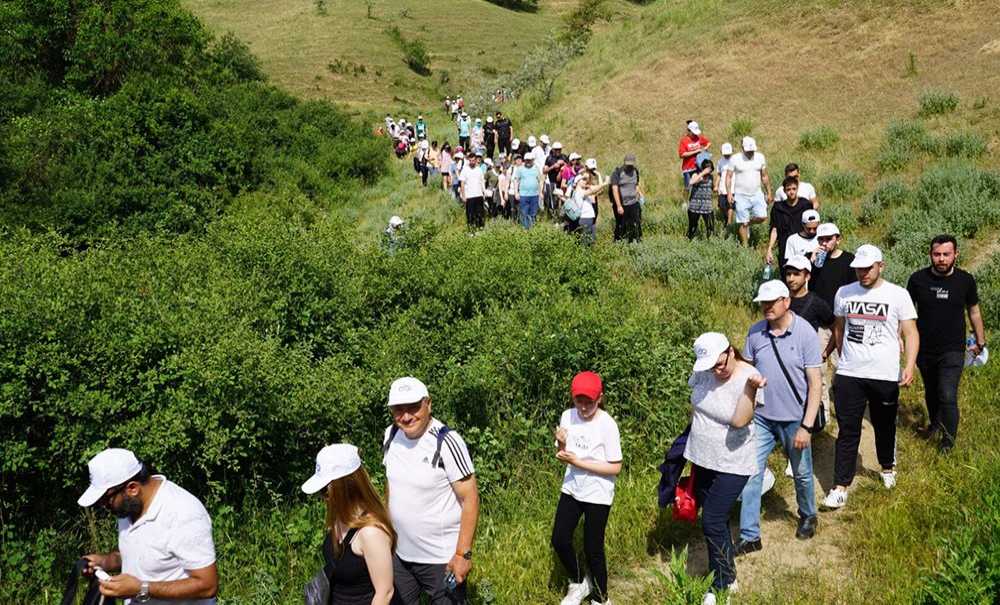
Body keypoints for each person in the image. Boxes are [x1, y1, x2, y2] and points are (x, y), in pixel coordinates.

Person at [824, 245, 919, 509]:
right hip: (850, 373)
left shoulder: (898, 295)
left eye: (868, 268)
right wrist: (841, 359)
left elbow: (911, 332)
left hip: (884, 373)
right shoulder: (844, 293)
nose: (863, 273)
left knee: (884, 424)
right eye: (858, 269)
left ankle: (887, 467)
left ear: (881, 266)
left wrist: (909, 365)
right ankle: (840, 486)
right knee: (848, 429)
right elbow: (839, 327)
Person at [736, 280, 822, 556]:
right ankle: (750, 535)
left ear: (786, 301)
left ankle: (808, 514)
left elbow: (815, 384)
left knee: (802, 473)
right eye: (763, 303)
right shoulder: (755, 333)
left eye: (771, 302)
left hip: (795, 418)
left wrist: (807, 426)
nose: (766, 307)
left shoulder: (805, 333)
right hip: (761, 418)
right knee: (751, 474)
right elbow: (746, 370)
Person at [383, 377, 479, 605]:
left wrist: (462, 555)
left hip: (441, 559)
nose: (406, 417)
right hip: (400, 556)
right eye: (398, 409)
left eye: (413, 407)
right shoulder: (391, 435)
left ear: (428, 404)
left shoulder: (446, 441)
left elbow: (470, 498)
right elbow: (391, 485)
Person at [77, 448, 219, 603]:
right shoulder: (129, 507)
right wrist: (106, 562)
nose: (103, 505)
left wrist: (142, 589)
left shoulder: (183, 513)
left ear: (132, 488)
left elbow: (207, 585)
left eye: (106, 499)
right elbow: (142, 555)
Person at [686, 333, 765, 598]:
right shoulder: (704, 371)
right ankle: (728, 576)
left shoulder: (749, 376)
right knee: (715, 521)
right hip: (703, 456)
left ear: (731, 351)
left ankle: (719, 587)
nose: (717, 370)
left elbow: (741, 420)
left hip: (734, 461)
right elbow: (696, 402)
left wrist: (751, 389)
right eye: (711, 366)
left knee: (712, 520)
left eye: (720, 364)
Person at [907, 235, 986, 451]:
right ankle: (935, 425)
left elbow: (974, 311)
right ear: (930, 255)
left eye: (946, 254)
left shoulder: (965, 280)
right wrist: (901, 340)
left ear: (955, 255)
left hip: (953, 349)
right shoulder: (917, 280)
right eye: (937, 254)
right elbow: (905, 313)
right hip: (924, 348)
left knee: (947, 394)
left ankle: (947, 444)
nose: (941, 259)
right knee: (932, 391)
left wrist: (980, 339)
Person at [552, 372, 622, 605]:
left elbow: (615, 467)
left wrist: (577, 462)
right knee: (560, 539)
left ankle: (601, 599)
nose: (583, 407)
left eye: (589, 402)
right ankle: (580, 582)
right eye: (578, 400)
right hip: (572, 487)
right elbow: (562, 453)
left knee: (593, 549)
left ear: (600, 398)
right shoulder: (567, 416)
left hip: (598, 493)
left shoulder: (607, 425)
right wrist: (561, 442)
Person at [301, 444, 395, 605]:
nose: (323, 498)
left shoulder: (371, 533)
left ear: (346, 487)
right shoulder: (339, 517)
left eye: (325, 490)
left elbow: (385, 593)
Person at [726, 137, 772, 247]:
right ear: (742, 148)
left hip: (757, 193)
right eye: (748, 150)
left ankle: (748, 223)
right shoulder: (735, 159)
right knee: (743, 221)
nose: (750, 152)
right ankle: (745, 246)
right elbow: (729, 176)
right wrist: (729, 193)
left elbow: (764, 176)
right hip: (741, 195)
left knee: (763, 216)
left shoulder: (760, 157)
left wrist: (769, 192)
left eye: (752, 150)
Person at [766, 178, 817, 265]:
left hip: (804, 247)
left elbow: (813, 226)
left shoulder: (806, 205)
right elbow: (774, 229)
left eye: (794, 189)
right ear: (784, 191)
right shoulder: (778, 208)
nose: (791, 192)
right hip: (785, 247)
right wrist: (770, 248)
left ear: (797, 189)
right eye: (788, 189)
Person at [784, 255, 835, 332]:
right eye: (788, 274)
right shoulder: (780, 300)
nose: (791, 279)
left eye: (796, 274)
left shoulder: (816, 303)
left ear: (807, 277)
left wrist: (829, 344)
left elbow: (835, 327)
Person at [610, 154, 644, 243]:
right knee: (621, 225)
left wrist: (640, 196)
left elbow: (636, 185)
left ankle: (635, 241)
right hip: (622, 204)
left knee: (636, 224)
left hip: (633, 203)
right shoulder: (617, 173)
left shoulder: (635, 171)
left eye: (631, 164)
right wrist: (618, 206)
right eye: (628, 164)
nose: (629, 166)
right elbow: (614, 189)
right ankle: (618, 243)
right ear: (624, 163)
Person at [687, 158, 715, 239]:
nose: (709, 171)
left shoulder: (711, 177)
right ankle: (689, 241)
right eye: (708, 169)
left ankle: (711, 243)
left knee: (710, 227)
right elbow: (691, 182)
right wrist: (702, 173)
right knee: (693, 227)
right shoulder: (696, 175)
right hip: (695, 206)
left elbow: (712, 188)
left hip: (707, 207)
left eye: (710, 169)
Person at [678, 121, 711, 189]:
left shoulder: (698, 138)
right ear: (689, 131)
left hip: (698, 166)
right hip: (688, 168)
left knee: (698, 186)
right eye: (693, 133)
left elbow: (708, 143)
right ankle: (685, 199)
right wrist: (695, 151)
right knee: (688, 187)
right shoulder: (684, 141)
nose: (694, 135)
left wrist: (705, 149)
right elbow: (682, 154)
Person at [514, 153, 543, 229]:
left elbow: (540, 180)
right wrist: (516, 192)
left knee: (533, 213)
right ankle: (525, 229)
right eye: (527, 160)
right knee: (524, 213)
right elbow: (516, 180)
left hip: (534, 194)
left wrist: (540, 192)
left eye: (530, 160)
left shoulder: (536, 168)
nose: (528, 162)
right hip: (523, 195)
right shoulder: (520, 169)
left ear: (532, 160)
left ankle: (532, 228)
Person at [459, 152, 486, 230]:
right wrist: (463, 195)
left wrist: (484, 192)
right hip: (469, 196)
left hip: (479, 195)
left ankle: (480, 228)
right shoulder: (465, 170)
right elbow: (462, 183)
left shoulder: (479, 170)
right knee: (470, 214)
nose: (472, 162)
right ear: (468, 160)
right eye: (470, 160)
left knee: (480, 214)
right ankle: (471, 230)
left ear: (476, 160)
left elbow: (482, 181)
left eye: (473, 160)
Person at [544, 142, 568, 217]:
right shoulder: (549, 158)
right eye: (556, 150)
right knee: (554, 201)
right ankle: (554, 217)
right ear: (553, 150)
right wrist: (553, 166)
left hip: (562, 183)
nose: (558, 151)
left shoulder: (564, 157)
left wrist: (564, 164)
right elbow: (544, 171)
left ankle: (564, 216)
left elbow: (569, 168)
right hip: (552, 182)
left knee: (564, 200)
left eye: (559, 150)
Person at [715, 142, 735, 229]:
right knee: (721, 205)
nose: (727, 155)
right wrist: (716, 185)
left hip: (733, 187)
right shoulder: (720, 161)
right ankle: (727, 218)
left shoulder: (735, 160)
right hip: (722, 187)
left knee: (730, 205)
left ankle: (729, 223)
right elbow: (719, 174)